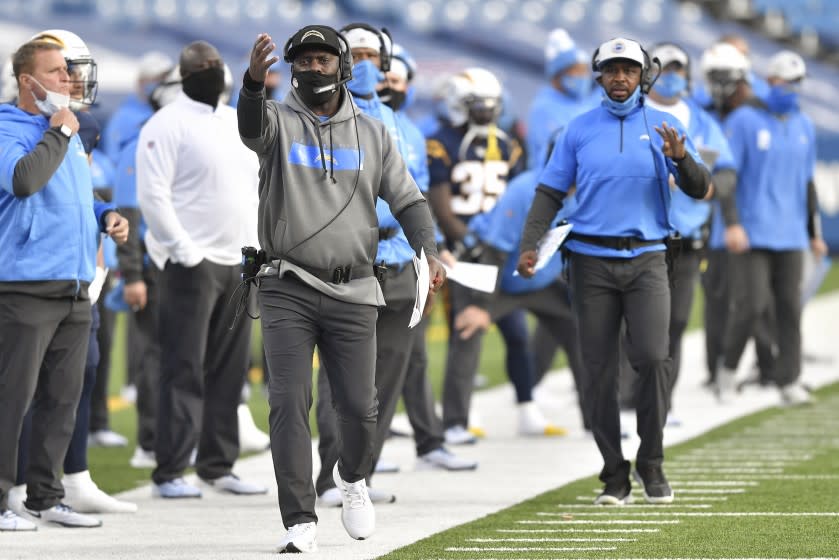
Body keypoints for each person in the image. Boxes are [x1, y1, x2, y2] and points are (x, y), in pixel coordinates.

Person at [238, 26, 445, 552]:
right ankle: (299, 518)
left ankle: (352, 479)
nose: (313, 68)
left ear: (344, 66)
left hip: (355, 289)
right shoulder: (278, 122)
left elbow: (409, 200)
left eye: (323, 59)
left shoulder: (375, 133)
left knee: (359, 407)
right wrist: (252, 83)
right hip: (287, 284)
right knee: (288, 400)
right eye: (303, 61)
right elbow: (249, 128)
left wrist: (429, 250)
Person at [518, 37, 711, 506]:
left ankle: (652, 461)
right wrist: (529, 245)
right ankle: (613, 474)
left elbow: (701, 187)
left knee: (651, 357)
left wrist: (682, 159)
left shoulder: (666, 125)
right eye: (611, 70)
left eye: (628, 70)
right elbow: (549, 191)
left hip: (647, 257)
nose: (619, 78)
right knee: (598, 370)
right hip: (589, 262)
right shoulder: (578, 128)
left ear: (643, 75)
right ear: (599, 76)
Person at [0, 39, 127, 530]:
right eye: (55, 72)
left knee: (62, 399)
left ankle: (44, 496)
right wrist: (58, 133)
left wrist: (106, 214)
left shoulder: (67, 132)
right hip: (25, 286)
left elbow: (77, 194)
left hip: (74, 286)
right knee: (12, 398)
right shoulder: (10, 126)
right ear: (28, 81)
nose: (68, 80)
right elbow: (24, 181)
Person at [136, 40, 266, 499]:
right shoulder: (165, 124)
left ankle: (217, 465)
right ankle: (170, 471)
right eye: (202, 66)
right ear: (185, 74)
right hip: (191, 265)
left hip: (239, 262)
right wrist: (184, 251)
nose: (212, 70)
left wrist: (255, 249)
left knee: (230, 371)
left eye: (216, 63)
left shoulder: (237, 121)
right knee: (183, 368)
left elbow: (255, 190)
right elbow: (153, 196)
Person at [428, 67, 559, 443]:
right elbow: (441, 204)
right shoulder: (440, 143)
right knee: (465, 332)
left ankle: (525, 405)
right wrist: (464, 241)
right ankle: (461, 414)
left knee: (516, 330)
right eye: (476, 105)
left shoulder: (508, 144)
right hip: (462, 250)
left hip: (499, 247)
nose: (485, 112)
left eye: (490, 105)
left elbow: (522, 191)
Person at [708, 48, 827, 405]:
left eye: (796, 82)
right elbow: (726, 175)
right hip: (753, 231)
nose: (789, 88)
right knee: (751, 305)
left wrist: (813, 232)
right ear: (769, 81)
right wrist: (732, 224)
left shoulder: (804, 125)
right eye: (783, 81)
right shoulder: (744, 121)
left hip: (790, 233)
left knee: (790, 308)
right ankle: (726, 371)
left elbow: (807, 183)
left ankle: (788, 379)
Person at [640, 42, 736, 416]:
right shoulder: (632, 115)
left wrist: (708, 186)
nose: (672, 75)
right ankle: (630, 397)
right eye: (665, 68)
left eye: (678, 67)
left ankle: (662, 400)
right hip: (642, 233)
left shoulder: (702, 119)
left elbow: (725, 171)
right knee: (635, 320)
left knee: (676, 321)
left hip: (688, 238)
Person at [526, 28, 599, 169]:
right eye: (576, 70)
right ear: (559, 73)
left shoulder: (587, 101)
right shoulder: (544, 108)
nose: (583, 76)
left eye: (584, 70)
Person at [100, 50, 172, 164]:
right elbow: (113, 159)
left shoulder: (170, 112)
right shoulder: (123, 118)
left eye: (164, 80)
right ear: (141, 82)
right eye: (155, 79)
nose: (160, 84)